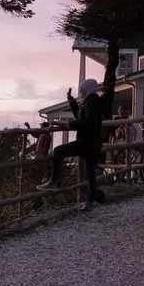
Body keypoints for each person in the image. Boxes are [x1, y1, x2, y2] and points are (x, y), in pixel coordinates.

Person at [37, 79, 105, 211]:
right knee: (91, 174)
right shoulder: (93, 102)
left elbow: (88, 123)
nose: (81, 92)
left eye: (82, 90)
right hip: (93, 143)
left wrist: (70, 124)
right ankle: (89, 203)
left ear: (87, 89)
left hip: (86, 143)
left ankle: (53, 181)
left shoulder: (91, 103)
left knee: (58, 151)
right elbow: (82, 119)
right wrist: (72, 103)